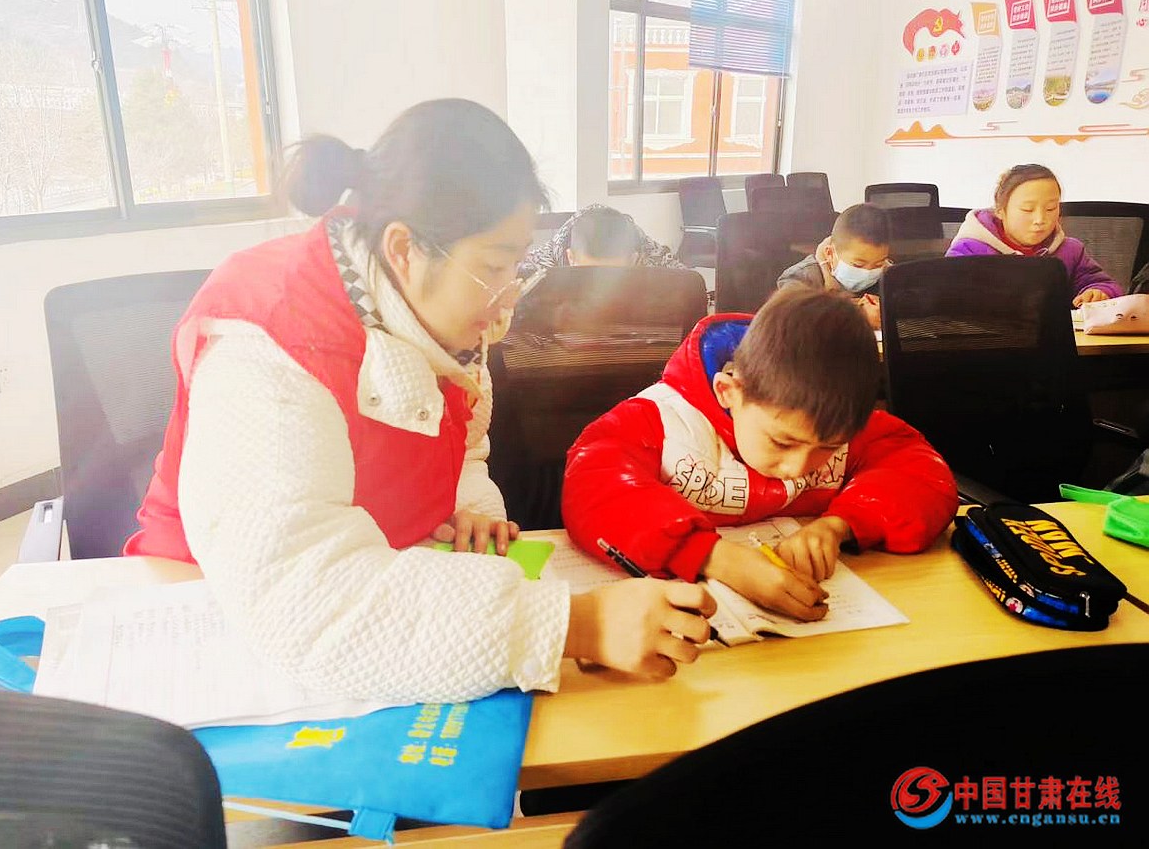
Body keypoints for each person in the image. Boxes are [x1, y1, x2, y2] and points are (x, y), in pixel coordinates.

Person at [122, 99, 716, 703]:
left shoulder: (427, 308)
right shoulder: (268, 341)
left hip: (385, 577)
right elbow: (302, 597)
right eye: (494, 266)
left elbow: (460, 440)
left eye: (516, 265)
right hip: (221, 617)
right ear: (404, 249)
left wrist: (467, 500)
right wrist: (575, 626)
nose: (508, 296)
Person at [561, 288, 958, 621]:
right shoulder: (661, 421)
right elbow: (592, 483)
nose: (797, 467)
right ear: (729, 392)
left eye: (827, 449)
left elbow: (923, 474)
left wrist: (840, 525)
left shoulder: (829, 420)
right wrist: (713, 558)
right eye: (782, 443)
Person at [946, 163, 1123, 306]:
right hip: (991, 338)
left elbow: (1105, 284)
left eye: (1051, 208)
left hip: (1055, 338)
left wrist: (1098, 293)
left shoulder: (1071, 250)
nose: (1040, 219)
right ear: (1000, 211)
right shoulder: (969, 250)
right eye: (1027, 209)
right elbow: (946, 300)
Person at [777, 203, 891, 329]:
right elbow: (788, 323)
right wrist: (857, 315)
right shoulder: (802, 277)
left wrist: (888, 311)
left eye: (878, 264)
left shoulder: (890, 276)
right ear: (830, 254)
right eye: (858, 265)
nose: (868, 272)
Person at [519, 204, 685, 276]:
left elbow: (691, 287)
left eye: (611, 277)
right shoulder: (536, 270)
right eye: (587, 275)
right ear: (570, 258)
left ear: (632, 261)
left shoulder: (656, 261)